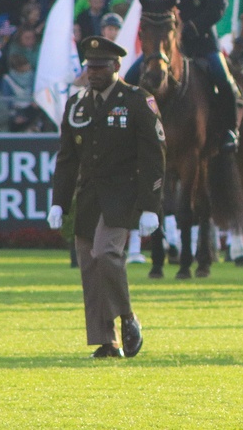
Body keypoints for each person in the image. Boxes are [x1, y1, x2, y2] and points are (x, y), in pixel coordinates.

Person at [46, 36, 165, 358]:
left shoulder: (138, 100)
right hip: (88, 196)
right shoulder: (77, 103)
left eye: (100, 67)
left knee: (106, 254)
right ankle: (105, 340)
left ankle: (127, 317)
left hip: (125, 193)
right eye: (90, 66)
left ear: (116, 66)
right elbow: (67, 157)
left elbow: (154, 155)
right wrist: (59, 200)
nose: (93, 72)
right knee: (89, 264)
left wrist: (150, 206)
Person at [158, 0, 241, 151]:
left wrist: (191, 28)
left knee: (224, 81)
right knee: (137, 74)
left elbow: (218, 9)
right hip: (172, 45)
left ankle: (229, 131)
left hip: (203, 43)